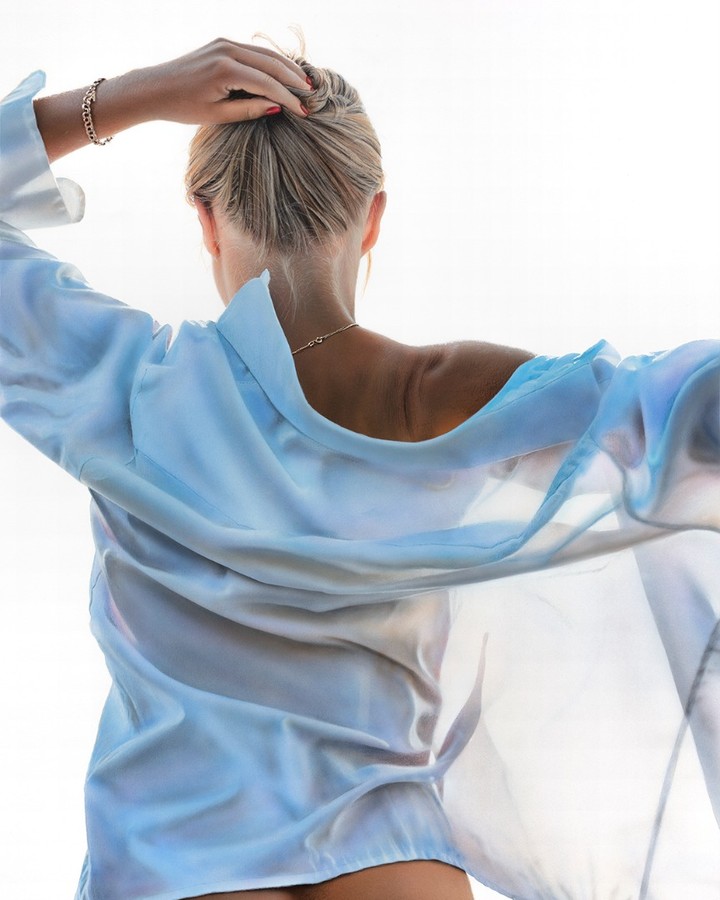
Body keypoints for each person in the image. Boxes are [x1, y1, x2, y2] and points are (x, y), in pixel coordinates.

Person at [0, 37, 718, 900]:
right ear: (371, 215)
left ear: (205, 218)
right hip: (393, 856)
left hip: (177, 855)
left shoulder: (126, 387)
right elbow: (688, 409)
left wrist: (133, 97)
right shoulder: (458, 396)